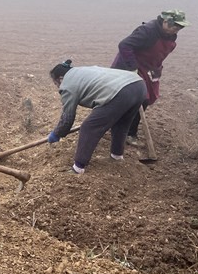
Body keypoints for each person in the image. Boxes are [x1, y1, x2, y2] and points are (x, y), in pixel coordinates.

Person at [47, 60, 147, 174]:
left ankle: (78, 168)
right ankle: (117, 156)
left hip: (120, 92)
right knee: (121, 123)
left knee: (89, 127)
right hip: (138, 85)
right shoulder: (81, 71)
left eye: (56, 84)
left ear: (60, 78)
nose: (58, 87)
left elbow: (67, 119)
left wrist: (56, 134)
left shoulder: (67, 85)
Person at [111, 9, 190, 141]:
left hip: (149, 68)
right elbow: (124, 45)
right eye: (175, 27)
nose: (176, 30)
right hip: (130, 66)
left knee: (146, 99)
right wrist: (132, 68)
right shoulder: (148, 31)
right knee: (138, 98)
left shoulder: (170, 35)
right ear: (166, 22)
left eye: (179, 28)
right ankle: (128, 132)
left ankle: (126, 129)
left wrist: (156, 70)